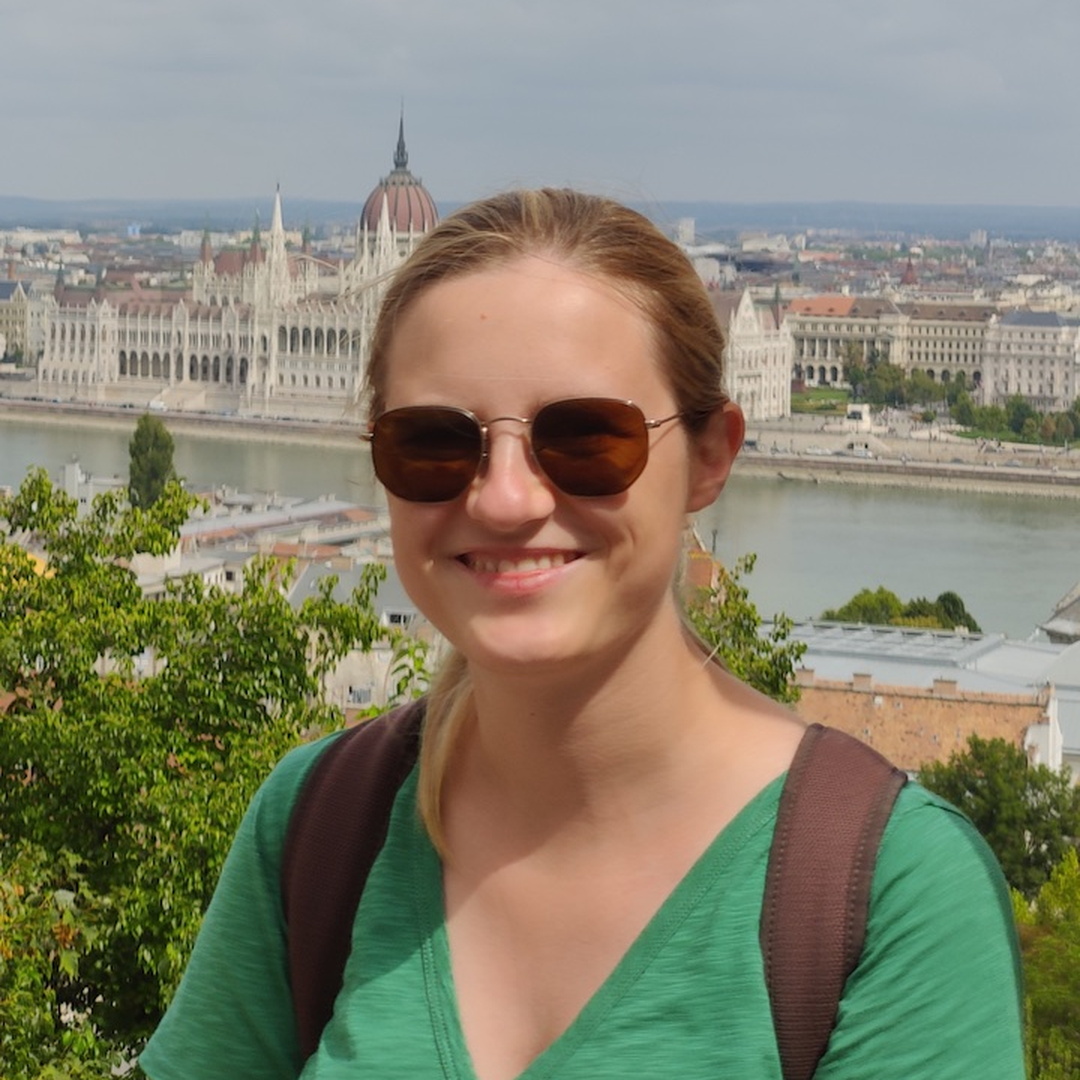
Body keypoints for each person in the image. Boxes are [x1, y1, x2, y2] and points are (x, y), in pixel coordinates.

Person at [141, 189, 1025, 1079]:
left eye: (588, 438)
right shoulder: (317, 827)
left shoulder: (885, 896)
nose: (505, 498)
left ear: (712, 456)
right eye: (433, 443)